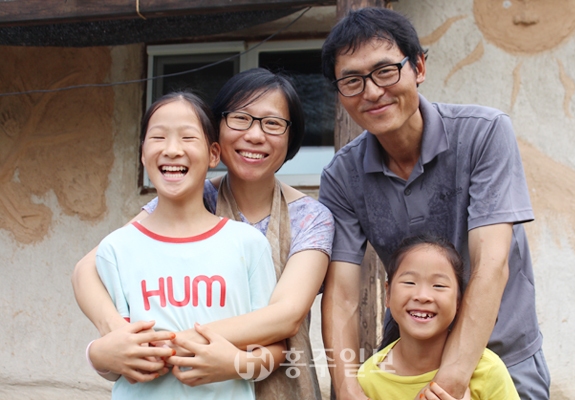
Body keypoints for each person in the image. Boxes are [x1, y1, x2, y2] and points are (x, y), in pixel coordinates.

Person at [318, 7, 549, 400]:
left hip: (502, 357)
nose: (371, 92)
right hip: (408, 367)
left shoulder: (484, 135)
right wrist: (347, 387)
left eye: (385, 71)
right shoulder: (342, 176)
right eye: (352, 81)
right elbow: (341, 296)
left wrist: (450, 383)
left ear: (419, 67)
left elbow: (491, 263)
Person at [72, 69, 334, 399]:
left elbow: (286, 315)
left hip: (271, 382)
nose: (255, 135)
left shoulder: (310, 218)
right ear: (217, 134)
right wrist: (116, 337)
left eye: (272, 123)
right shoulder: (187, 194)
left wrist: (172, 343)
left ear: (291, 136)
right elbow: (88, 268)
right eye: (240, 119)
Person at [92, 91, 281, 399]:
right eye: (158, 137)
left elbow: (275, 353)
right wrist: (98, 355)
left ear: (214, 154)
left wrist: (235, 364)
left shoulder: (248, 244)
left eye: (188, 137)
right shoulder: (116, 249)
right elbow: (115, 361)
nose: (172, 150)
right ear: (142, 154)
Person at [358, 234, 519, 400]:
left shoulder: (487, 370)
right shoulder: (368, 378)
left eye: (439, 285)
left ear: (458, 301)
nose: (423, 296)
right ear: (388, 294)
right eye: (409, 282)